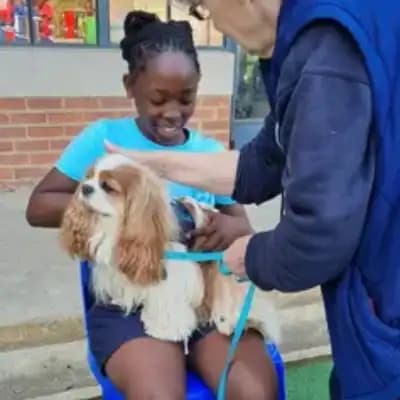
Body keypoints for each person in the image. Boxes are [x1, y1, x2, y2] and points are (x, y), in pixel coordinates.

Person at [106, 1, 400, 399]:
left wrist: (251, 255)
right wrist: (151, 164)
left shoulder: (326, 47)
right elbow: (262, 162)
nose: (215, 23)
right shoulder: (334, 30)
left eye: (203, 8)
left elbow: (318, 232)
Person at [26, 10, 278, 400]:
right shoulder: (104, 140)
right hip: (129, 300)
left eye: (187, 98)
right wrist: (134, 214)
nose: (173, 113)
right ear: (131, 86)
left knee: (255, 391)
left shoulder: (209, 152)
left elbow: (240, 225)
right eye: (158, 99)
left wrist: (226, 229)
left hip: (205, 298)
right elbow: (39, 205)